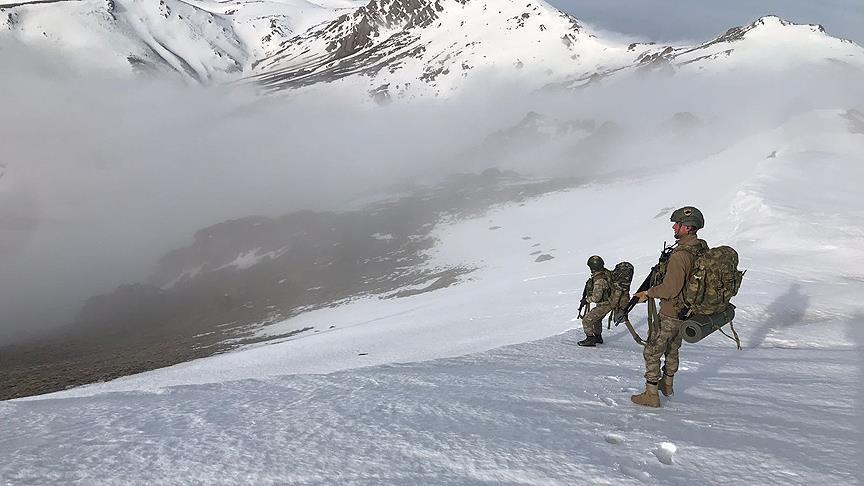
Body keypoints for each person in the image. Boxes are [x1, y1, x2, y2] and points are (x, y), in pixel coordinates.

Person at [630, 206, 708, 407]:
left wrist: (648, 294)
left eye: (678, 224)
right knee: (673, 348)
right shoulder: (700, 247)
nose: (674, 227)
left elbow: (670, 289)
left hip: (671, 311)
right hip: (688, 311)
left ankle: (651, 394)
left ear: (688, 228)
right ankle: (668, 385)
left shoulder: (680, 255)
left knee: (652, 351)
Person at [577, 255, 613, 347]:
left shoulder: (599, 280)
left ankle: (590, 339)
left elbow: (596, 297)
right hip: (608, 303)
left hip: (605, 304)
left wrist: (586, 300)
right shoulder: (605, 273)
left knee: (586, 320)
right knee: (597, 319)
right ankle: (598, 337)